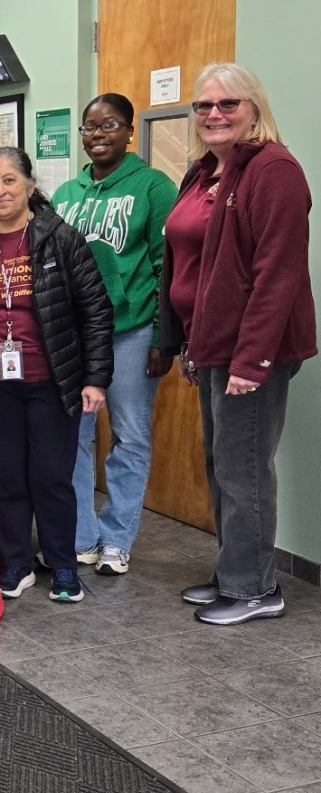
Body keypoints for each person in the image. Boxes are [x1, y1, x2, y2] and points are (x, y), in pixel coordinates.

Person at [160, 63, 316, 625]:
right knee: (221, 464)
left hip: (250, 352)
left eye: (228, 104)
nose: (214, 114)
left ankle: (255, 589)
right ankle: (235, 572)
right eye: (204, 105)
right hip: (213, 345)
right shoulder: (204, 171)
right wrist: (187, 342)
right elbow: (187, 264)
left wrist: (252, 360)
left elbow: (278, 274)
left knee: (244, 467)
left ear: (255, 108)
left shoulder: (274, 170)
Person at [0, 146, 113, 603]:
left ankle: (63, 566)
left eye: (9, 180)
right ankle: (15, 563)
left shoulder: (60, 238)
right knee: (11, 478)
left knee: (51, 477)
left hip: (52, 381)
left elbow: (95, 311)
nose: (0, 191)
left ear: (30, 186)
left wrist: (95, 378)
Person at [51, 93, 177, 576]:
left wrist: (162, 338)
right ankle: (82, 537)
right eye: (90, 126)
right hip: (76, 338)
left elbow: (168, 268)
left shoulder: (154, 187)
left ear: (129, 132)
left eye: (109, 125)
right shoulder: (67, 194)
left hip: (131, 330)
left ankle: (117, 540)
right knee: (73, 438)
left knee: (130, 435)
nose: (97, 134)